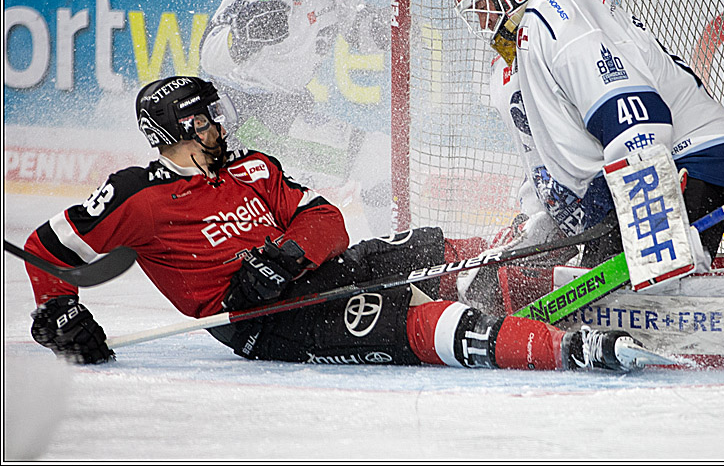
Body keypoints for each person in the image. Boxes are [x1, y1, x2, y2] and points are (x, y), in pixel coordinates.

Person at [22, 75, 649, 374]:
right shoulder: (139, 194)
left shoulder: (251, 167)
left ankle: (561, 271)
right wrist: (61, 313)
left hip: (307, 273)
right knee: (414, 317)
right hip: (259, 321)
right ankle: (571, 350)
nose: (221, 126)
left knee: (425, 246)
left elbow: (326, 217)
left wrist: (289, 254)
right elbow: (46, 246)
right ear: (181, 130)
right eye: (209, 119)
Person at [449, 0, 724, 308]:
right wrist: (538, 226)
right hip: (646, 171)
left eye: (481, 5)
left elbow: (633, 114)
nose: (481, 21)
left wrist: (656, 233)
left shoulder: (553, 14)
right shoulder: (520, 52)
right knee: (587, 299)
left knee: (638, 299)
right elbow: (544, 160)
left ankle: (700, 292)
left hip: (692, 158)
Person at [199, 0, 390, 236]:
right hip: (248, 120)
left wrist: (381, 29)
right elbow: (209, 55)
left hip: (290, 113)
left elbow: (356, 31)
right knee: (379, 158)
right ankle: (393, 257)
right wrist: (242, 37)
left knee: (376, 161)